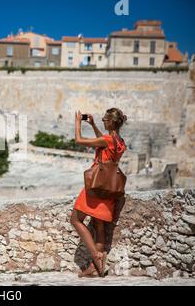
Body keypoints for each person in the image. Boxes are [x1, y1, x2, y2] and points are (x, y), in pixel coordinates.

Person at [70, 108, 128, 278]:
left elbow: (79, 140)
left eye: (104, 120)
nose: (103, 122)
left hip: (95, 186)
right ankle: (96, 268)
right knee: (99, 224)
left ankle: (96, 255)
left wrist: (78, 122)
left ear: (110, 122)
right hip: (110, 187)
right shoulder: (120, 142)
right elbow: (102, 142)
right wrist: (94, 124)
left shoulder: (107, 139)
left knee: (75, 219)